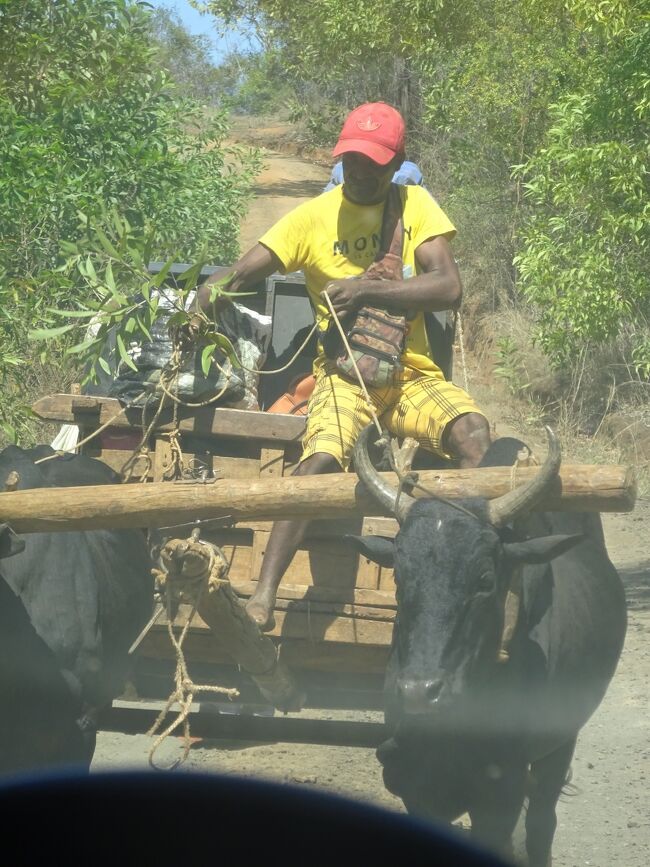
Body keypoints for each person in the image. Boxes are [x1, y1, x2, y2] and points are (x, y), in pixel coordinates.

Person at [193, 101, 491, 630]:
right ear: (339, 155)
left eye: (373, 163)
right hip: (344, 377)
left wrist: (365, 287)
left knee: (474, 435)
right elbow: (242, 272)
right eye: (351, 159)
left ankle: (467, 582)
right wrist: (202, 299)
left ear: (395, 161)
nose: (359, 172)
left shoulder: (415, 204)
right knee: (321, 458)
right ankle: (263, 596)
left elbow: (449, 287)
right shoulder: (311, 218)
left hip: (411, 375)